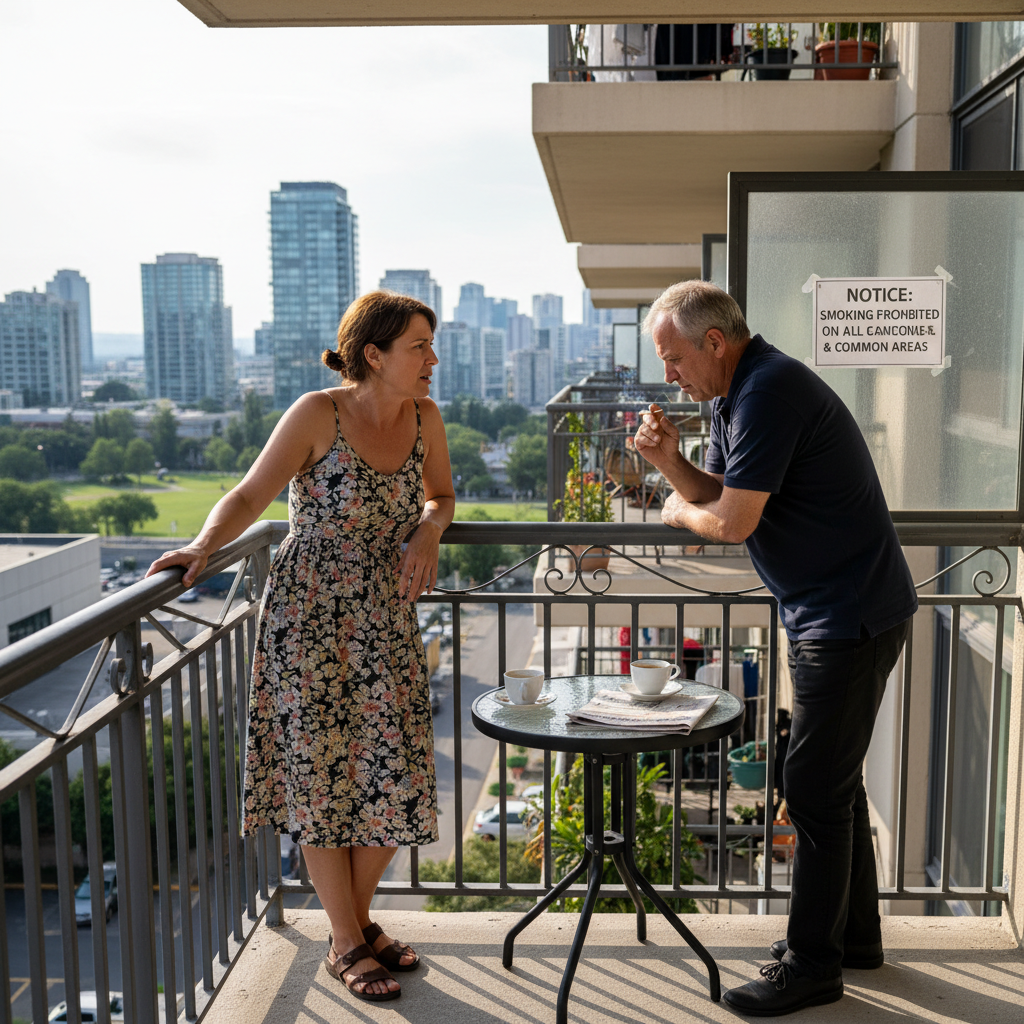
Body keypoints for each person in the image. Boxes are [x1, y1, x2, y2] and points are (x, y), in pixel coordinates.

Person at [146, 291, 455, 1003]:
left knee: (395, 775)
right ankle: (349, 938)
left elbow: (440, 495)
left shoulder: (426, 418)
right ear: (374, 355)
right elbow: (251, 496)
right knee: (320, 778)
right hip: (307, 617)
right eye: (420, 347)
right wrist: (201, 546)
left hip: (384, 615)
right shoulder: (318, 413)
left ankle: (353, 924)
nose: (432, 360)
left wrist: (430, 528)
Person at [633, 281, 917, 1016]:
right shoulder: (737, 395)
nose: (669, 374)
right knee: (836, 785)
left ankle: (812, 966)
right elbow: (724, 488)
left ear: (715, 343)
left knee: (812, 790)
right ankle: (855, 941)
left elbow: (730, 524)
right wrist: (670, 463)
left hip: (846, 615)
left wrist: (677, 510)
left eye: (672, 358)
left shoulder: (770, 391)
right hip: (834, 610)